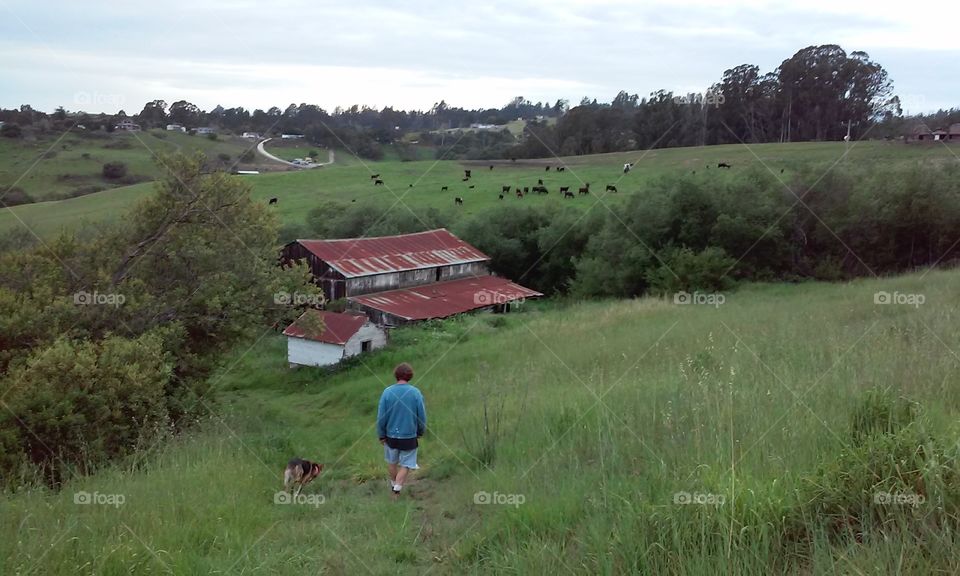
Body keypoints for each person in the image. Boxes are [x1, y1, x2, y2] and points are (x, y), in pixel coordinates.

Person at [377, 362, 426, 497]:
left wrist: (381, 434)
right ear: (410, 376)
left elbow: (381, 417)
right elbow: (421, 416)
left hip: (390, 436)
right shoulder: (415, 393)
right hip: (409, 435)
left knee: (392, 462)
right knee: (407, 464)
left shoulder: (387, 392)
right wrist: (420, 431)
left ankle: (394, 486)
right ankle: (397, 490)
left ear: (396, 375)